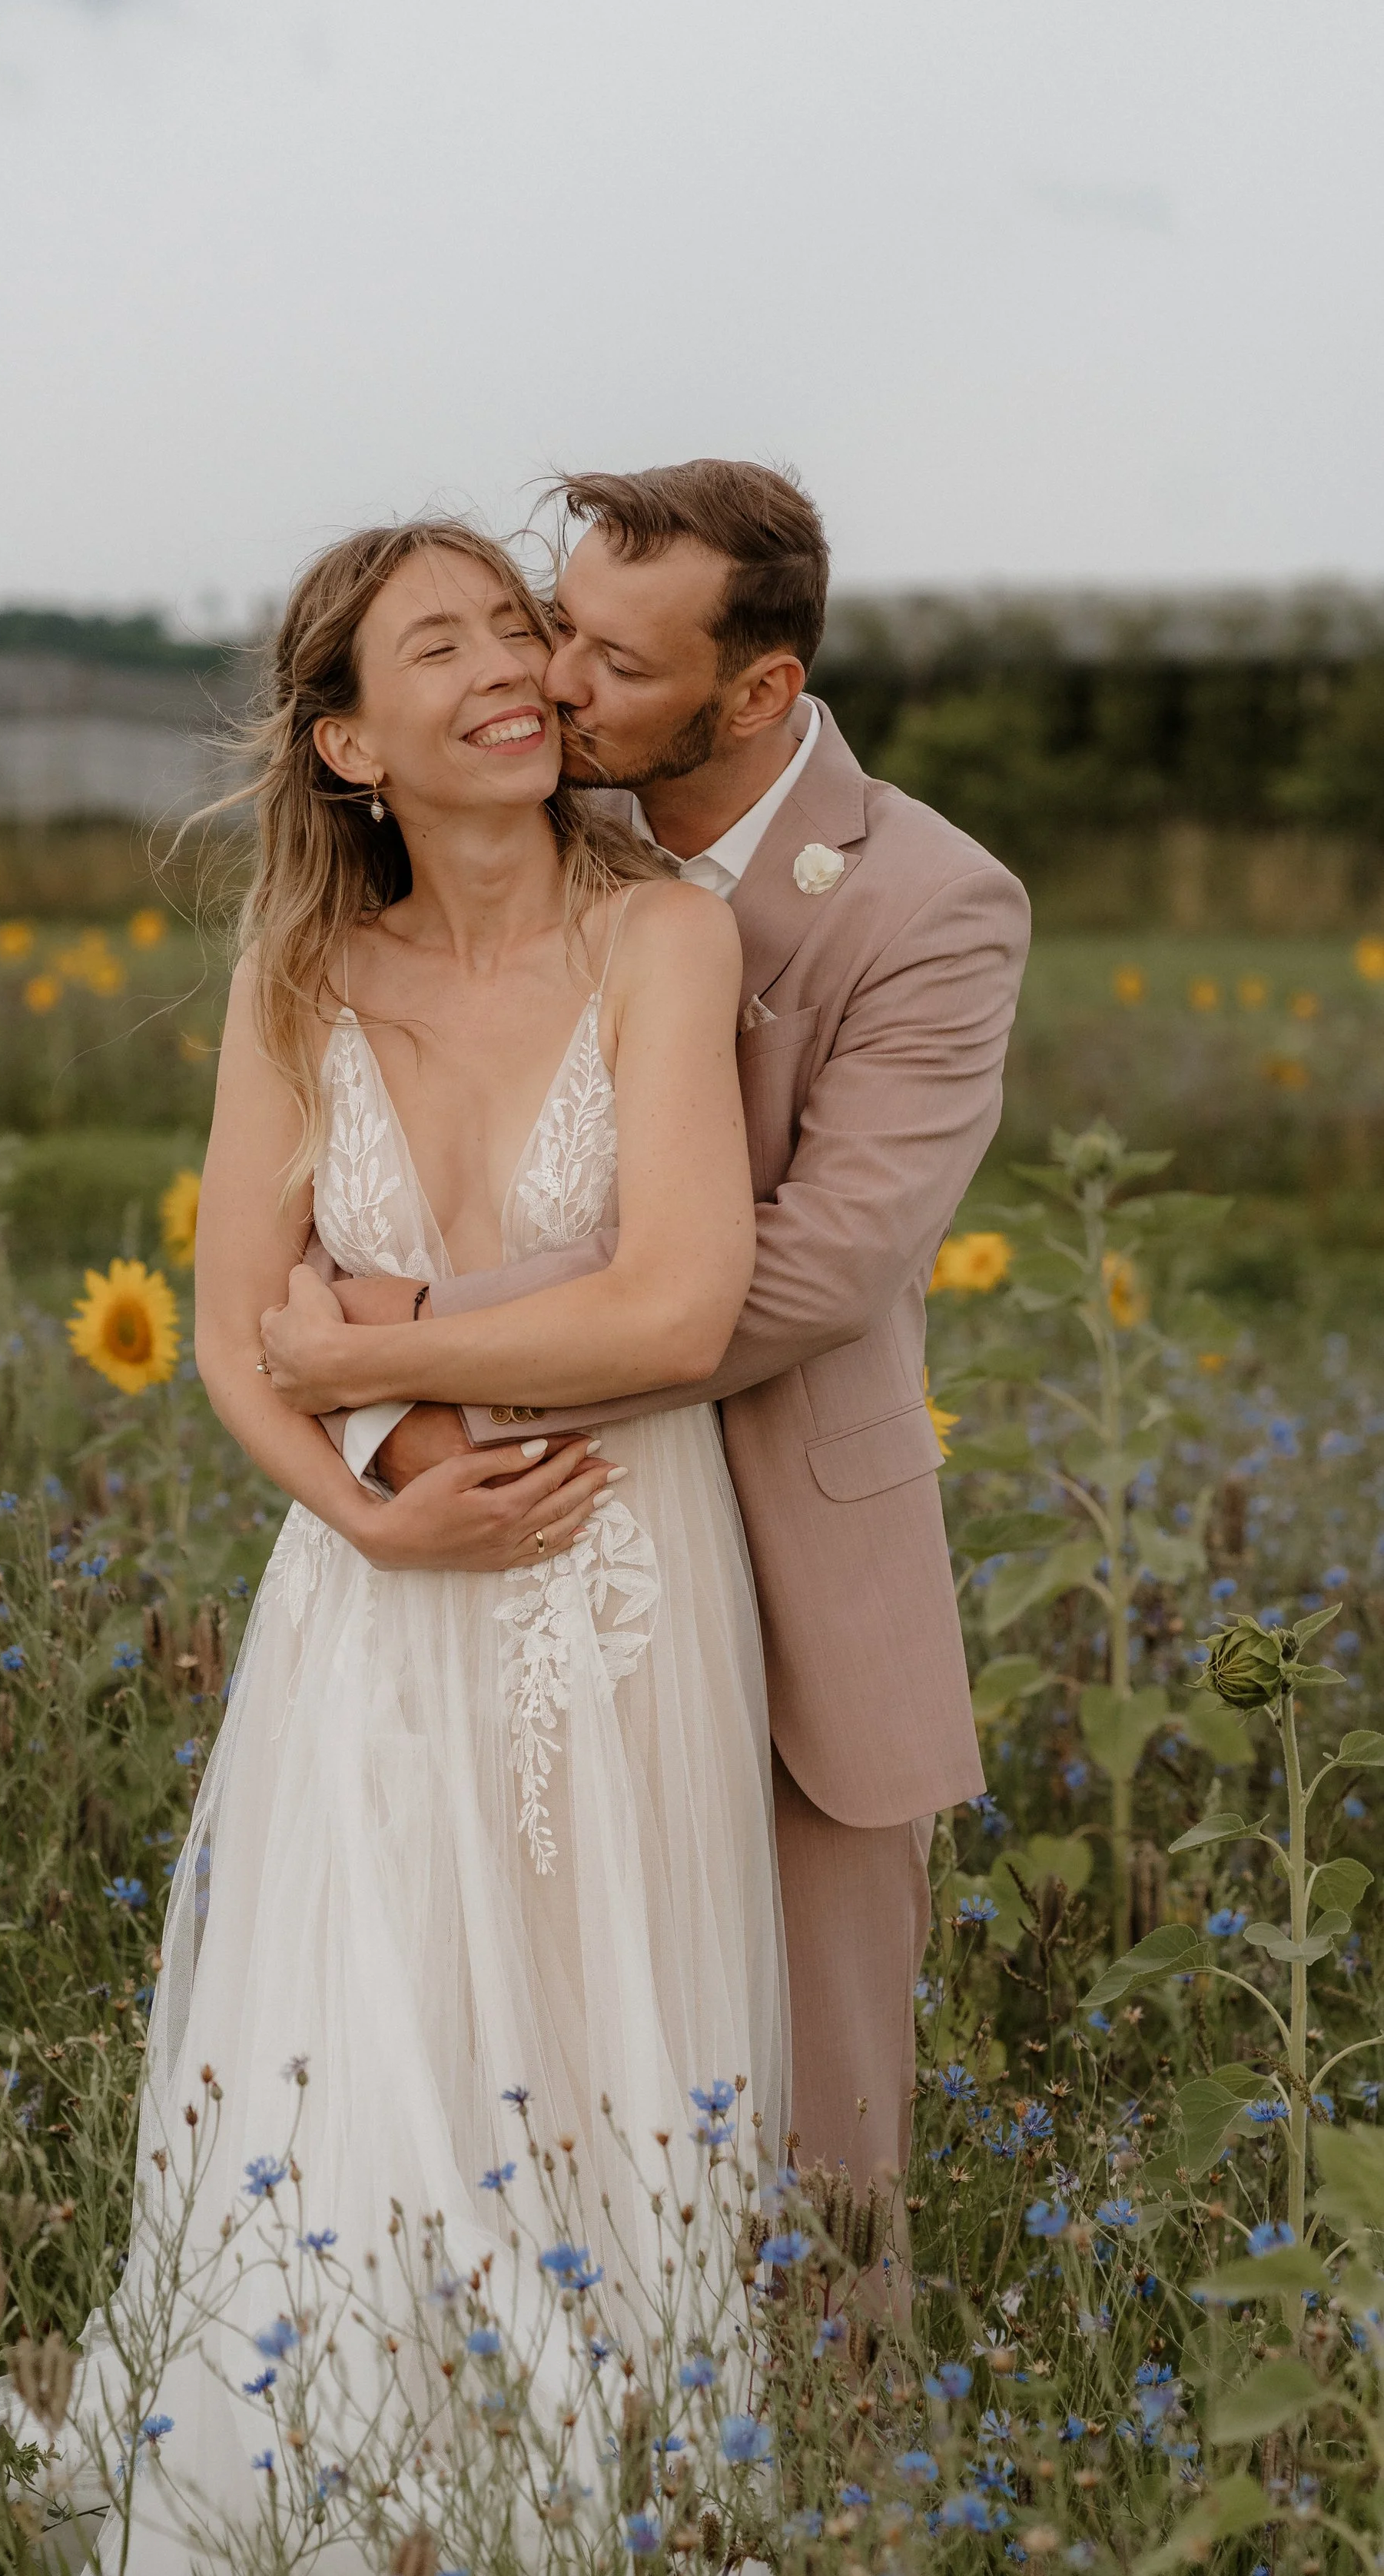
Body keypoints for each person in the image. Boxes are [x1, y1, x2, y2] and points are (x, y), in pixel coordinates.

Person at [0, 516, 790, 2576]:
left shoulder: (663, 934)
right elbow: (228, 1333)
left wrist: (367, 1355)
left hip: (617, 1588)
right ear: (346, 738)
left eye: (518, 627)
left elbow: (675, 1304)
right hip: (370, 1606)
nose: (514, 666)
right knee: (358, 2080)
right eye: (445, 644)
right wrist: (360, 1500)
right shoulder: (299, 971)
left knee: (608, 2070)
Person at [274, 460, 1030, 2209]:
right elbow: (352, 1151)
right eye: (560, 626)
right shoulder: (532, 816)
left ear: (758, 692)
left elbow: (816, 1268)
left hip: (789, 1553)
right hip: (512, 1540)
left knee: (817, 2150)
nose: (552, 679)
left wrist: (413, 1342)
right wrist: (383, 1407)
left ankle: (830, 2401)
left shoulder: (934, 903)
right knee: (520, 2084)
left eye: (614, 662)